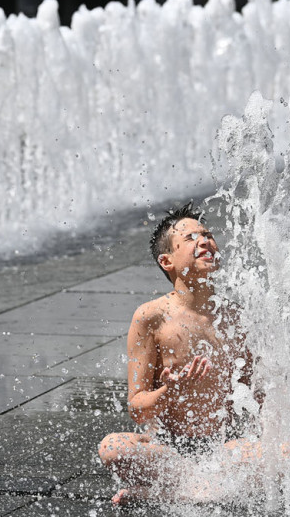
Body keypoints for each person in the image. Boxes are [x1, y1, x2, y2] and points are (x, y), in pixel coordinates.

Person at [97, 202, 262, 505]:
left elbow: (253, 394)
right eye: (190, 238)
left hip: (225, 448)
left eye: (207, 234)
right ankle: (208, 491)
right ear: (167, 260)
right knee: (114, 447)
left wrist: (289, 399)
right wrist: (170, 392)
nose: (204, 241)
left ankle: (170, 495)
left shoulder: (236, 317)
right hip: (171, 450)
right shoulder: (151, 317)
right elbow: (137, 408)